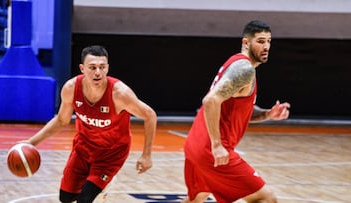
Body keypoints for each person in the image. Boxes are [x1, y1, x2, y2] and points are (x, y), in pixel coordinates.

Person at [22, 45, 157, 203]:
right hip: (83, 149)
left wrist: (146, 155)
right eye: (92, 67)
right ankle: (100, 185)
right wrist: (31, 143)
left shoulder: (120, 94)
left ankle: (103, 183)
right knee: (65, 198)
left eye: (102, 67)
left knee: (84, 200)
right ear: (82, 68)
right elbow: (61, 120)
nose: (98, 72)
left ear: (107, 68)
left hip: (111, 153)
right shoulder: (71, 89)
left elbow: (150, 115)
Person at [182, 20, 291, 203]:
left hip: (195, 145)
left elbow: (235, 111)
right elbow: (210, 101)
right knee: (266, 199)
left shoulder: (236, 63)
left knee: (196, 199)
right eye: (261, 41)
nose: (266, 46)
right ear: (246, 43)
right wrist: (217, 146)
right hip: (211, 150)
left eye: (269, 41)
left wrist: (267, 114)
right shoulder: (244, 69)